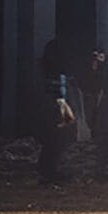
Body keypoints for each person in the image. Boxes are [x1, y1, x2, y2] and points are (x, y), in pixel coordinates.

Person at [36, 38, 77, 186]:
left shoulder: (46, 70)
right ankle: (48, 171)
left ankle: (48, 170)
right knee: (55, 140)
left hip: (52, 108)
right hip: (56, 108)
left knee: (53, 141)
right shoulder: (54, 73)